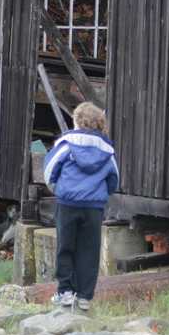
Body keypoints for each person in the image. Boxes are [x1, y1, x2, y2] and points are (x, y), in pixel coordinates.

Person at [43, 102, 118, 311]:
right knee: (89, 250)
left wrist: (57, 189)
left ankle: (65, 293)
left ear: (77, 121)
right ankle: (85, 297)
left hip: (67, 203)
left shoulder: (66, 144)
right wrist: (101, 195)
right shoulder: (107, 150)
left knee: (65, 247)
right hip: (93, 207)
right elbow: (114, 180)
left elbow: (49, 171)